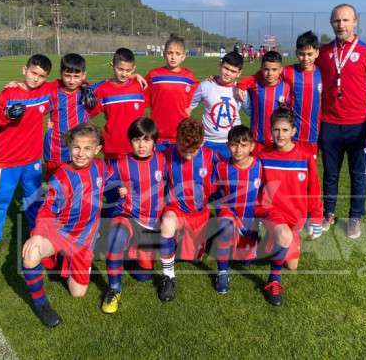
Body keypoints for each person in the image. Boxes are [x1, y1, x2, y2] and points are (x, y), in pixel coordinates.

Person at [20, 123, 107, 327]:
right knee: (31, 255)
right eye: (76, 147)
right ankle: (41, 305)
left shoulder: (101, 168)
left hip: (84, 239)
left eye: (87, 148)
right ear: (69, 147)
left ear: (97, 150)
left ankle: (64, 260)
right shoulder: (62, 176)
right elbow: (47, 208)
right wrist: (37, 235)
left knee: (78, 293)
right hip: (61, 232)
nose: (81, 153)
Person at [316, 4, 366, 238]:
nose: (341, 25)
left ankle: (355, 217)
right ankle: (328, 213)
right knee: (330, 174)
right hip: (329, 125)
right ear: (331, 23)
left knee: (358, 175)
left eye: (346, 20)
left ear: (355, 22)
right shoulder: (324, 53)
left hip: (359, 126)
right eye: (337, 21)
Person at [0, 54, 53, 264]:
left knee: (34, 201)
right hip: (7, 162)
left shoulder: (46, 91)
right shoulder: (10, 92)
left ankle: (37, 238)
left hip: (32, 161)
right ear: (24, 70)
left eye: (41, 76)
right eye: (33, 73)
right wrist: (6, 114)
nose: (36, 78)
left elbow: (71, 79)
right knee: (0, 202)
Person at [257, 108, 323, 306]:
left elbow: (314, 189)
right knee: (283, 235)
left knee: (292, 265)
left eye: (285, 130)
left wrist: (316, 218)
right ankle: (273, 282)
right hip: (270, 211)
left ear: (294, 131)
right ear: (270, 130)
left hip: (295, 217)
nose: (280, 135)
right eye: (276, 130)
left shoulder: (305, 156)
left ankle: (273, 242)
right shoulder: (263, 154)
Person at [102, 117, 167, 314]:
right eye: (136, 140)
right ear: (130, 141)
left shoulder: (163, 159)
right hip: (127, 214)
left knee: (143, 276)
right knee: (116, 239)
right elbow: (104, 185)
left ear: (154, 141)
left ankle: (132, 254)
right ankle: (114, 289)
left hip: (151, 222)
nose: (141, 145)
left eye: (146, 140)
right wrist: (116, 190)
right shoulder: (121, 163)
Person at [157, 118, 218, 302]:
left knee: (193, 256)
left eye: (194, 151)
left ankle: (201, 238)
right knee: (167, 223)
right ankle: (168, 276)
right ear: (176, 140)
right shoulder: (166, 154)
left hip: (199, 214)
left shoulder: (211, 156)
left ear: (202, 142)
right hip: (175, 210)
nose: (189, 156)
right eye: (184, 150)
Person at [211, 125, 263, 294]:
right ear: (228, 145)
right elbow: (213, 192)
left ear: (252, 146)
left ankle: (249, 243)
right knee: (225, 229)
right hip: (228, 212)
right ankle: (222, 272)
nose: (238, 150)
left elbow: (266, 192)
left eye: (243, 145)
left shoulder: (259, 166)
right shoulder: (221, 167)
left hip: (250, 217)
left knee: (246, 260)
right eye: (234, 145)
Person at [92, 48, 149, 160]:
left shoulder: (139, 86)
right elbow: (86, 114)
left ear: (133, 68)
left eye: (128, 70)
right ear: (112, 65)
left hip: (136, 148)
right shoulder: (103, 89)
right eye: (120, 69)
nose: (124, 74)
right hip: (112, 148)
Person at [145, 34, 199, 152]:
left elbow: (202, 93)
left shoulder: (189, 78)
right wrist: (134, 76)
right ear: (164, 54)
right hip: (157, 134)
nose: (173, 57)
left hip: (181, 135)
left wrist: (214, 78)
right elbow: (139, 94)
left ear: (183, 57)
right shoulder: (154, 75)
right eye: (170, 53)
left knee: (176, 164)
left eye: (177, 54)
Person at [188, 51, 244, 159]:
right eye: (226, 68)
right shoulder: (205, 86)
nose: (228, 73)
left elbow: (253, 112)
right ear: (220, 66)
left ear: (239, 73)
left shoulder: (241, 91)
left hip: (233, 143)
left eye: (233, 71)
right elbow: (189, 107)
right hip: (207, 142)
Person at [236, 50, 291, 154]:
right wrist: (240, 85)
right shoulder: (255, 85)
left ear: (280, 70)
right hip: (257, 140)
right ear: (261, 69)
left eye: (274, 70)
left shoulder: (286, 87)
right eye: (266, 69)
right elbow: (233, 83)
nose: (270, 73)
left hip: (278, 141)